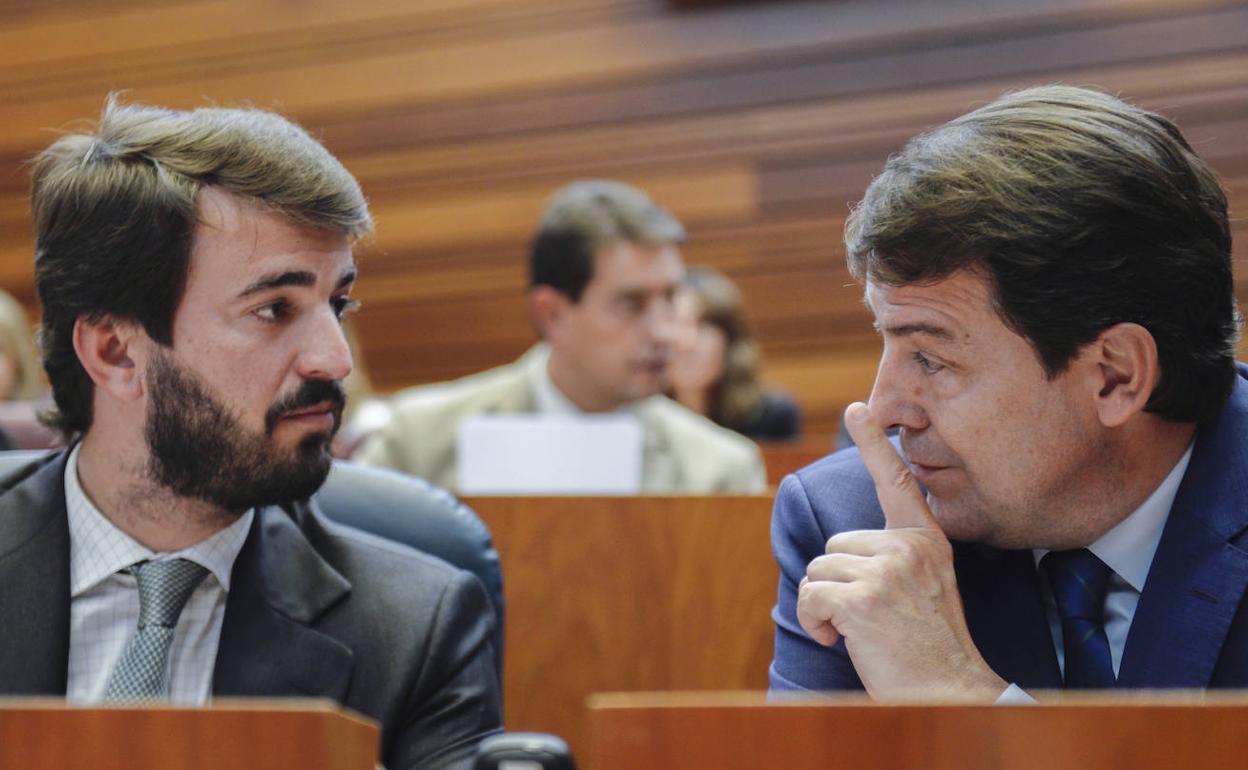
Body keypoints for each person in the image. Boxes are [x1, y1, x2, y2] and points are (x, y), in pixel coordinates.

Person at [0, 97, 502, 768]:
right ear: (116, 353)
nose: (335, 360)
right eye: (274, 309)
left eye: (337, 303)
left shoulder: (415, 629)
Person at [770, 85, 1246, 700]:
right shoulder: (857, 531)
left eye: (931, 359)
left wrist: (964, 697)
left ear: (1115, 376)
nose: (883, 409)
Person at [356, 180, 766, 493]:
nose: (665, 332)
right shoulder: (419, 442)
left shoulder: (720, 470)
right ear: (551, 314)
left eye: (670, 298)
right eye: (631, 303)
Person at [669, 265, 801, 442]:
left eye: (704, 325)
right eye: (676, 324)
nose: (688, 342)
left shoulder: (772, 415)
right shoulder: (639, 415)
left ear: (730, 339)